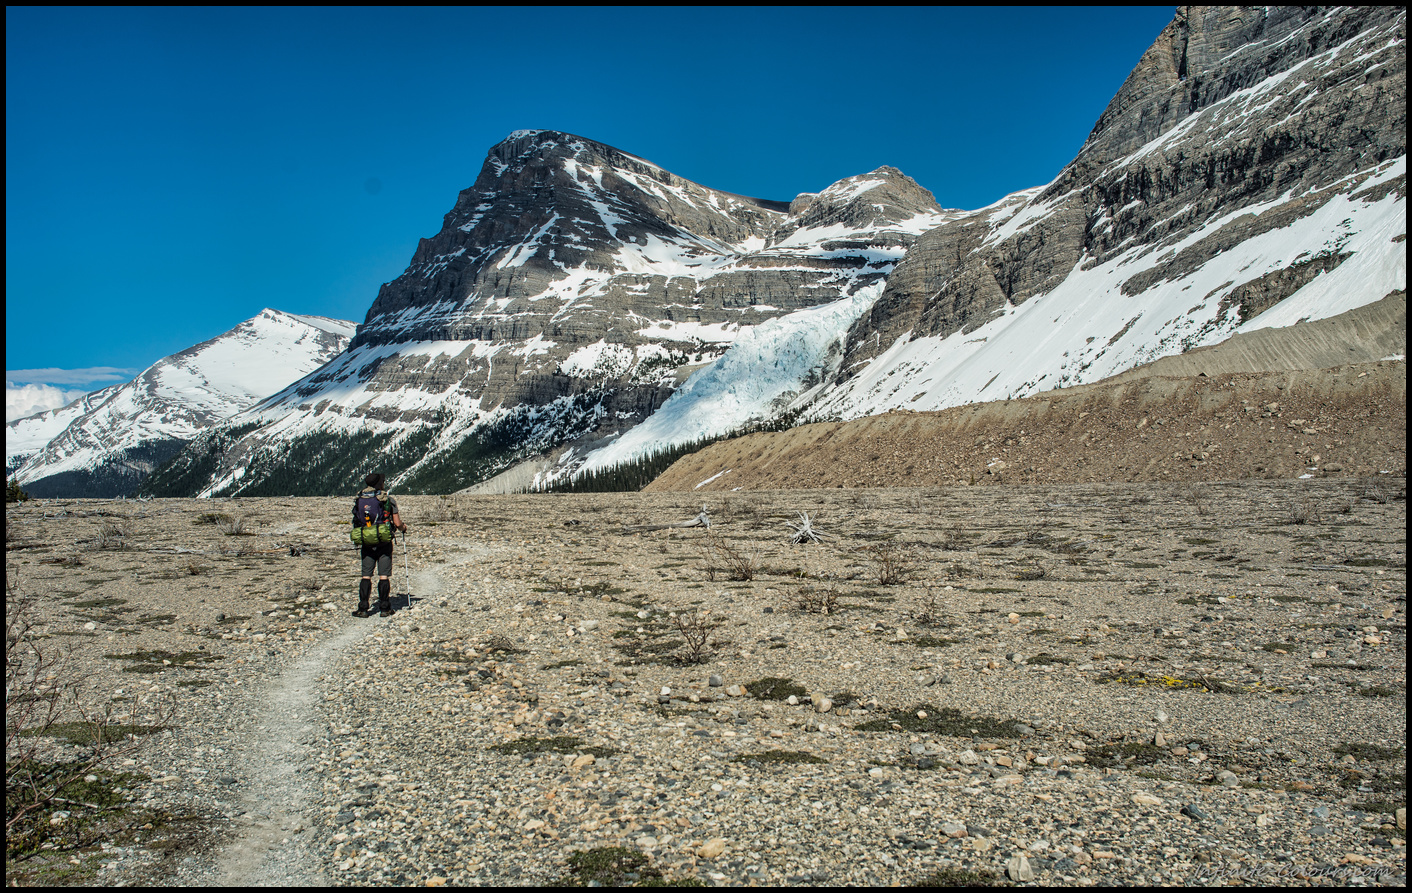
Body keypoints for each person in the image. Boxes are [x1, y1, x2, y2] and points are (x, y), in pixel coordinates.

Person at [353, 473, 407, 617]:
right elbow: (397, 523)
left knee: (366, 575)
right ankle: (384, 607)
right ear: (379, 484)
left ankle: (363, 608)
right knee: (383, 575)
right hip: (383, 541)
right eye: (383, 481)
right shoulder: (388, 500)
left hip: (366, 541)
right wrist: (403, 528)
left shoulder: (359, 499)